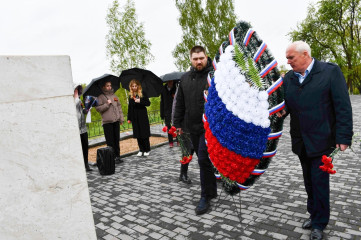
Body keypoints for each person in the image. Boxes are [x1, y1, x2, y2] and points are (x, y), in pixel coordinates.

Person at [277, 41, 353, 240]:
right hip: (301, 141)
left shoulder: (329, 72)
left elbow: (343, 107)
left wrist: (343, 137)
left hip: (322, 140)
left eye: (291, 57)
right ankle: (313, 214)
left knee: (319, 182)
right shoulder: (289, 79)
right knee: (309, 181)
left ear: (305, 55)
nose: (288, 61)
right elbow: (287, 106)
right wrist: (280, 113)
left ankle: (320, 223)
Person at [173, 45, 217, 215]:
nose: (199, 61)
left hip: (211, 128)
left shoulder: (215, 75)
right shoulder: (184, 79)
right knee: (204, 161)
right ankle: (211, 190)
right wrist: (177, 124)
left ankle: (205, 197)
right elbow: (180, 104)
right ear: (191, 60)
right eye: (195, 59)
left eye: (201, 58)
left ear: (206, 57)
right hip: (193, 128)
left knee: (203, 160)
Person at [95, 81, 124, 164]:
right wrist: (107, 104)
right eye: (107, 86)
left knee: (116, 140)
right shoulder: (100, 97)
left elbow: (119, 107)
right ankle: (112, 158)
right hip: (107, 123)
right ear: (104, 87)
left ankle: (118, 156)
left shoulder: (114, 96)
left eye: (110, 85)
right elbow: (98, 109)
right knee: (110, 141)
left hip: (116, 121)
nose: (109, 87)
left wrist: (121, 119)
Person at [127, 79, 151, 157]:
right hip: (135, 117)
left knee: (144, 133)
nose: (134, 87)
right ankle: (141, 149)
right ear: (131, 87)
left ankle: (147, 149)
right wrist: (129, 118)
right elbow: (130, 107)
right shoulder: (131, 96)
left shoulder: (143, 93)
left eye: (135, 86)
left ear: (138, 86)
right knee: (138, 134)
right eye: (132, 86)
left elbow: (148, 103)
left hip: (142, 116)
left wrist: (140, 101)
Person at [74, 84, 92, 172]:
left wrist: (86, 110)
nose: (77, 92)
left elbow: (80, 110)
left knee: (85, 147)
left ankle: (86, 164)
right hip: (76, 130)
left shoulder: (78, 100)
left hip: (83, 128)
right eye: (75, 90)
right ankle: (80, 166)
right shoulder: (73, 101)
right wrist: (77, 98)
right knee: (79, 149)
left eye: (78, 90)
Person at [160, 80, 177, 148]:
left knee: (176, 126)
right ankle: (171, 142)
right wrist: (162, 114)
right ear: (167, 82)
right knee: (169, 127)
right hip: (167, 111)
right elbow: (162, 102)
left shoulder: (176, 88)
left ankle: (178, 140)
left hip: (175, 111)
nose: (170, 83)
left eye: (172, 82)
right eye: (169, 82)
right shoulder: (163, 90)